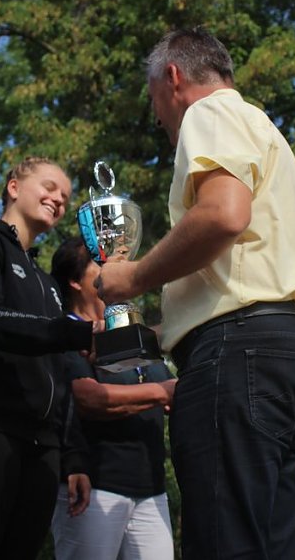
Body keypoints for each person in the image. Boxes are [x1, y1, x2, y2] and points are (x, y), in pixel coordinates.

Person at [97, 27, 295, 559]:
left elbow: (223, 214)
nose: (157, 118)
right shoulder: (263, 130)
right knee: (275, 542)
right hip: (285, 346)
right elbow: (244, 263)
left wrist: (131, 278)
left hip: (240, 353)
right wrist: (157, 333)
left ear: (173, 77)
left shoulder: (209, 113)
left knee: (227, 542)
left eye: (153, 97)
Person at [0, 158, 95, 560]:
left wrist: (72, 455)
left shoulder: (47, 283)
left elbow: (60, 376)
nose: (58, 200)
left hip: (42, 449)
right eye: (49, 187)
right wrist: (71, 331)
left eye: (64, 197)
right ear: (14, 187)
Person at [49, 237, 176, 560]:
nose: (113, 269)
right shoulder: (66, 333)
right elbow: (86, 397)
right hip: (93, 489)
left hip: (152, 489)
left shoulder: (134, 332)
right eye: (100, 262)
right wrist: (162, 392)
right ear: (75, 281)